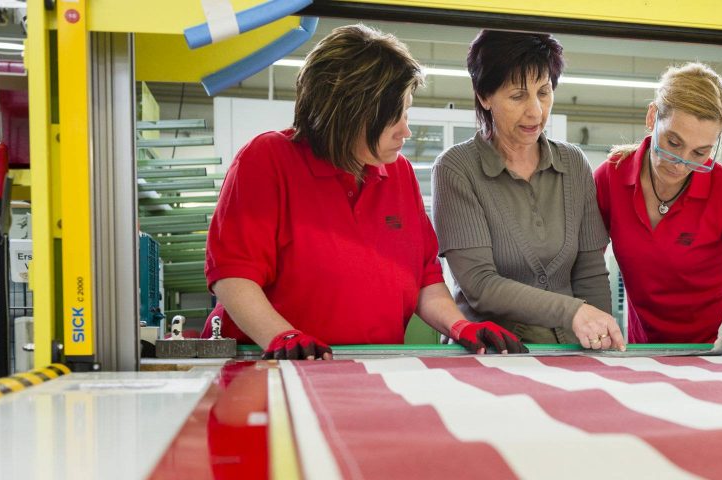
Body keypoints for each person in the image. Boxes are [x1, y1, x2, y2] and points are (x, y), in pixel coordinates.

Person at [202, 25, 526, 359]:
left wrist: (460, 327)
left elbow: (423, 279)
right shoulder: (266, 160)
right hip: (269, 364)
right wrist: (280, 337)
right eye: (393, 118)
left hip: (369, 368)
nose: (406, 130)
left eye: (406, 112)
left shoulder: (398, 173)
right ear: (348, 115)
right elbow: (233, 276)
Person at [432, 30, 625, 351]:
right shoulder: (457, 168)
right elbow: (480, 285)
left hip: (568, 349)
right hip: (493, 351)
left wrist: (600, 339)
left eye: (544, 92)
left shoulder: (573, 164)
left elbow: (590, 272)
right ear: (484, 95)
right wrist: (574, 311)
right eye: (518, 96)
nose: (535, 111)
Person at [594, 63, 722, 356]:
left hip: (718, 351)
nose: (680, 163)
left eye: (700, 152)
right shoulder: (611, 177)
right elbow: (583, 263)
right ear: (653, 116)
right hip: (645, 354)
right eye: (673, 142)